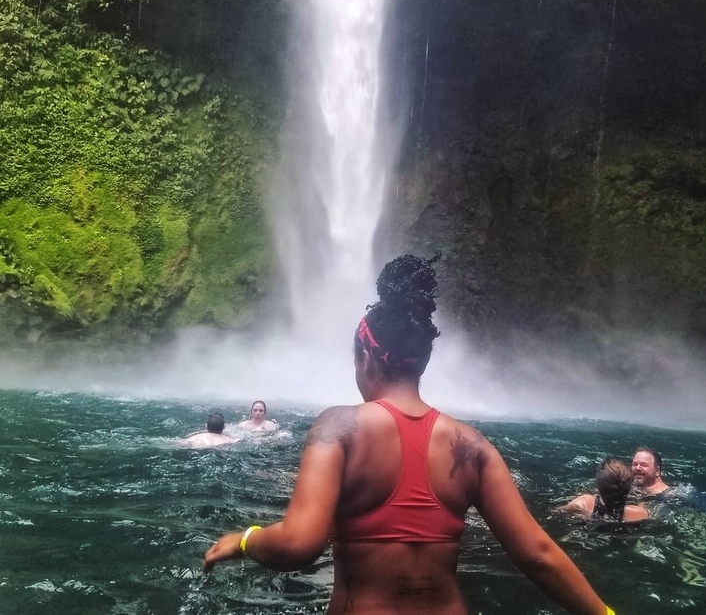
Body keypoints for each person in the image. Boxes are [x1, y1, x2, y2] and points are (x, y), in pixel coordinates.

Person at [203, 254, 616, 615]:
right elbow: (539, 555)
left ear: (365, 359)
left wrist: (244, 539)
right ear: (422, 362)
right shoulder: (472, 446)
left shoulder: (339, 427)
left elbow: (299, 543)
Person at [558, 458, 649, 523]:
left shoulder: (585, 502)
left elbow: (557, 513)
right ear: (628, 487)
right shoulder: (639, 514)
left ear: (598, 485)